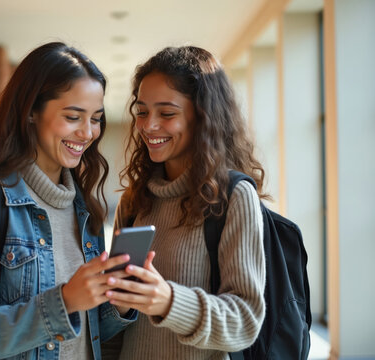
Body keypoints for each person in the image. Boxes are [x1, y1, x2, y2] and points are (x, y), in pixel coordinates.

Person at [0, 42, 136, 360]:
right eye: (73, 117)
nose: (87, 132)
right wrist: (65, 301)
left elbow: (86, 331)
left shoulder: (84, 209)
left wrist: (120, 301)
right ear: (30, 113)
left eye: (96, 118)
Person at [102, 46, 267, 359]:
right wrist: (118, 306)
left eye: (167, 113)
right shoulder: (135, 200)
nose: (148, 126)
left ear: (203, 118)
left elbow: (246, 321)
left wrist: (168, 302)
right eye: (141, 112)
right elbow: (114, 328)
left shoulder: (233, 196)